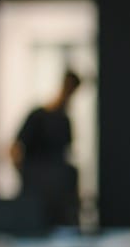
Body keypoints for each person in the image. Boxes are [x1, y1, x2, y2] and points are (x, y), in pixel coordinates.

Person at [11, 70, 82, 228]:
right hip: (36, 190)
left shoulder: (64, 120)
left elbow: (66, 154)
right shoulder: (38, 116)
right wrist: (26, 174)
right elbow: (15, 148)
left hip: (58, 193)